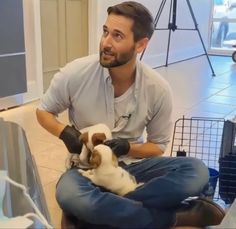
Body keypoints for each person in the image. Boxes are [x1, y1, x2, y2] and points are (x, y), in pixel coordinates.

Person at [36, 1, 224, 228]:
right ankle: (178, 217)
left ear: (141, 44)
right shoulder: (75, 73)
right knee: (68, 194)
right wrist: (64, 132)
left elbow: (157, 146)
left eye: (117, 36)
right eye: (105, 32)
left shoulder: (157, 89)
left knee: (196, 170)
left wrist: (128, 147)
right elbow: (43, 111)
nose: (105, 42)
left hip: (132, 169)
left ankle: (104, 213)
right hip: (87, 170)